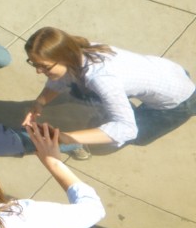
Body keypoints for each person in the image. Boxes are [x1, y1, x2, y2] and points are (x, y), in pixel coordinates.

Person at [23, 26, 196, 147]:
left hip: (178, 101)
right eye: (34, 63)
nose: (39, 71)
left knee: (141, 136)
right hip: (171, 71)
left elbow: (128, 130)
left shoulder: (102, 80)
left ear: (65, 56)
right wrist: (39, 103)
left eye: (44, 66)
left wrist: (67, 138)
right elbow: (60, 78)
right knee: (83, 91)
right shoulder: (80, 49)